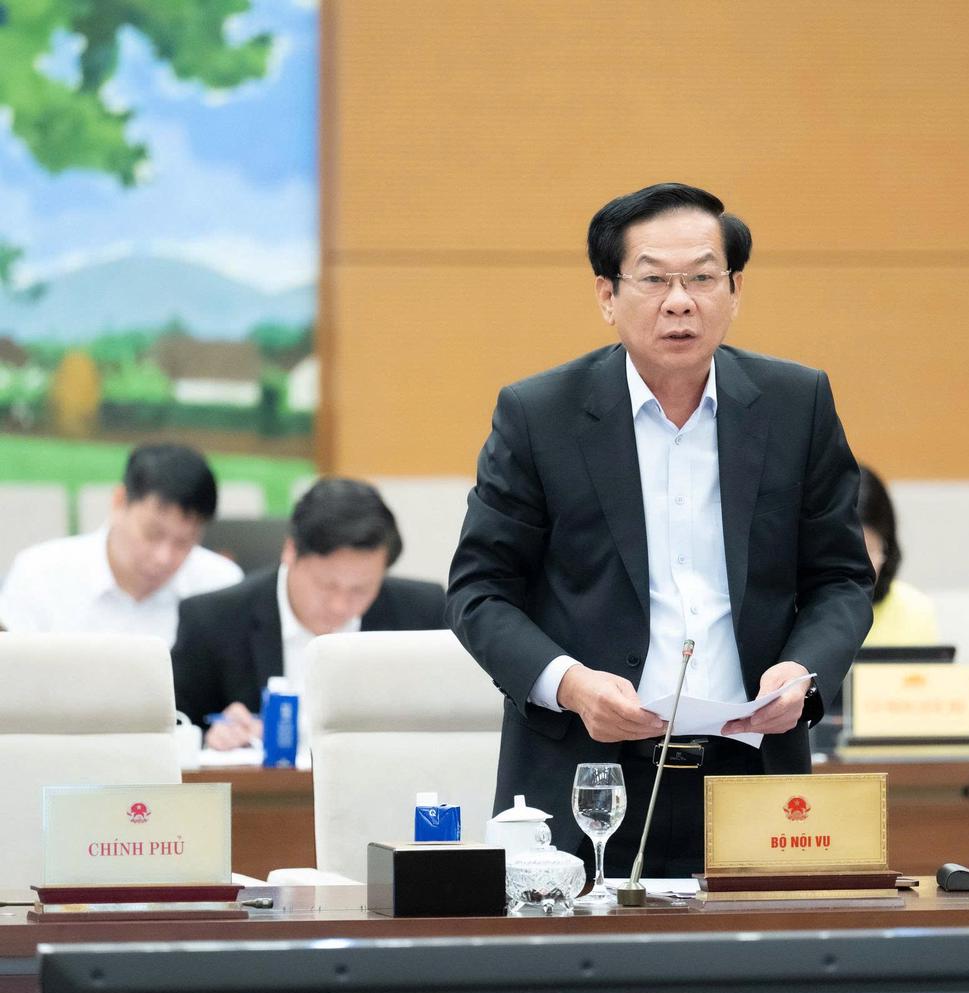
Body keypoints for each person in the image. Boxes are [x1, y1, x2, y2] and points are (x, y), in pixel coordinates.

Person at [448, 182, 875, 877]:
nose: (681, 301)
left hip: (753, 774)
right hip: (587, 776)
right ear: (607, 295)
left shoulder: (796, 405)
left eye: (702, 277)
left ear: (734, 290)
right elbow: (479, 591)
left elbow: (842, 579)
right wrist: (572, 685)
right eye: (653, 279)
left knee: (760, 949)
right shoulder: (539, 414)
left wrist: (802, 671)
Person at [171, 477, 445, 749]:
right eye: (326, 585)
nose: (340, 606)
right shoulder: (213, 619)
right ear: (290, 551)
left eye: (360, 590)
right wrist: (211, 737)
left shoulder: (421, 614)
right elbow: (176, 726)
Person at [0, 443, 240, 646]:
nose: (163, 557)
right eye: (152, 534)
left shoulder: (220, 587)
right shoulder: (40, 575)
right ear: (119, 501)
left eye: (184, 543)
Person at [857, 465, 938, 646]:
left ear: (886, 549)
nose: (853, 567)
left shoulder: (915, 610)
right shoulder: (794, 608)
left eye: (867, 550)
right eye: (841, 551)